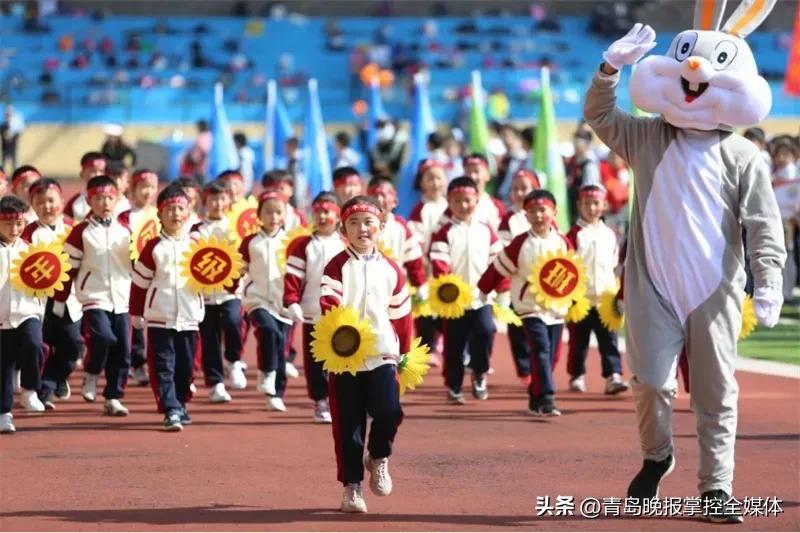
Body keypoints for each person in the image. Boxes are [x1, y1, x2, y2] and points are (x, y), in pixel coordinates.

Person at [586, 17, 786, 519]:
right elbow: (599, 115)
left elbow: (763, 225)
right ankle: (657, 456)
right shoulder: (646, 137)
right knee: (651, 382)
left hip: (714, 292)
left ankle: (716, 487)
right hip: (653, 286)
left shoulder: (743, 156)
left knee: (716, 391)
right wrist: (609, 69)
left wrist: (768, 280)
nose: (695, 72)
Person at [319, 195, 411, 513]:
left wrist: (405, 352)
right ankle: (352, 487)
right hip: (344, 356)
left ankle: (379, 456)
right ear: (343, 229)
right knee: (348, 424)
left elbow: (401, 315)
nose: (362, 229)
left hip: (382, 353)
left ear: (381, 227)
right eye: (354, 223)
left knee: (389, 411)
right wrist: (343, 331)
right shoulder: (336, 266)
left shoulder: (391, 269)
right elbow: (329, 301)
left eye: (369, 222)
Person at [479, 189, 570, 416]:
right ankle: (547, 399)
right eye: (532, 211)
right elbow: (499, 267)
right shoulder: (521, 243)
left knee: (552, 356)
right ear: (526, 215)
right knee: (540, 350)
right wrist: (484, 289)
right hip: (530, 308)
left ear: (554, 212)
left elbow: (574, 272)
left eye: (543, 210)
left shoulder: (563, 242)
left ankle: (535, 396)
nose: (538, 215)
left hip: (556, 309)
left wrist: (576, 299)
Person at [54, 175, 132, 416]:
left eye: (109, 198)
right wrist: (60, 299)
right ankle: (91, 372)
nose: (105, 203)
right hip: (93, 296)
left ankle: (113, 397)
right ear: (89, 201)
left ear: (117, 200)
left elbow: (139, 265)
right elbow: (68, 268)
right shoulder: (81, 232)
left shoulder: (127, 231)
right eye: (98, 198)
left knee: (123, 349)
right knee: (101, 338)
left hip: (122, 297)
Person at [131, 185, 204, 431]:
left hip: (190, 316)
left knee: (186, 367)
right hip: (160, 318)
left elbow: (213, 276)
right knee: (163, 365)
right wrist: (136, 312)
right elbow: (140, 283)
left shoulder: (197, 245)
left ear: (188, 212)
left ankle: (180, 402)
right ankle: (170, 409)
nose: (175, 214)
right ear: (160, 215)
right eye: (169, 209)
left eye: (180, 209)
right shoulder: (153, 247)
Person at [429, 177, 504, 404]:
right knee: (454, 343)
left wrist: (494, 287)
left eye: (467, 200)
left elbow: (497, 260)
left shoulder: (486, 230)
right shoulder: (444, 232)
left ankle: (479, 372)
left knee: (486, 331)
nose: (463, 205)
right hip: (454, 301)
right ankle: (454, 386)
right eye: (457, 201)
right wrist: (450, 288)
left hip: (481, 298)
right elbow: (439, 263)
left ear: (476, 200)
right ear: (449, 202)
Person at [283, 192, 345, 423]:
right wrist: (291, 300)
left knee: (343, 358)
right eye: (317, 212)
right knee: (315, 361)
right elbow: (293, 276)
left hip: (342, 315)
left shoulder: (346, 244)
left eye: (327, 211)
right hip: (313, 313)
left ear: (338, 215)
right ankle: (321, 401)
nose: (322, 216)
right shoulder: (304, 246)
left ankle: (344, 400)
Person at [21, 179, 83, 409]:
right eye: (40, 202)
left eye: (51, 201)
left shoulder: (74, 229)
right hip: (40, 301)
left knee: (72, 344)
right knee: (43, 345)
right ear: (32, 205)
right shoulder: (28, 234)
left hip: (70, 300)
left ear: (61, 201)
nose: (47, 206)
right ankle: (45, 388)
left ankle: (57, 376)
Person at [565, 184, 629, 395]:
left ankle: (613, 375)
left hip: (604, 299)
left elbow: (614, 264)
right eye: (587, 204)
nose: (591, 208)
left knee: (609, 340)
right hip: (580, 299)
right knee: (578, 342)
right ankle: (577, 375)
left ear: (604, 205)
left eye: (596, 203)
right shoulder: (574, 234)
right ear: (579, 205)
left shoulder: (609, 234)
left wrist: (617, 293)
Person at [192, 181, 246, 400]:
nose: (217, 203)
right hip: (204, 295)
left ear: (229, 201)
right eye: (213, 199)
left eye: (222, 198)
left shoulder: (235, 227)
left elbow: (245, 255)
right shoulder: (197, 230)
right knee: (209, 338)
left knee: (233, 321)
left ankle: (233, 360)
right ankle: (216, 384)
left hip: (230, 291)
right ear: (205, 202)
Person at [239, 191, 291, 412]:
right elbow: (239, 268)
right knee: (269, 331)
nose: (273, 217)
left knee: (280, 346)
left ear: (285, 215)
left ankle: (276, 393)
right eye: (268, 212)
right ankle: (267, 373)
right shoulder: (251, 242)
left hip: (284, 303)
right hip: (257, 299)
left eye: (278, 212)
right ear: (259, 215)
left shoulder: (291, 242)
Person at [0, 196, 46, 433]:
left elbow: (44, 281)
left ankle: (29, 389)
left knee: (34, 345)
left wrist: (40, 307)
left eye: (19, 224)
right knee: (3, 366)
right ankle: (4, 413)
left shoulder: (30, 251)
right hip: (1, 318)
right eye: (8, 224)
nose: (14, 229)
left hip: (27, 312)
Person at [407, 159, 449, 365]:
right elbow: (415, 238)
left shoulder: (451, 205)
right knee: (424, 308)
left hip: (448, 267)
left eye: (439, 178)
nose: (435, 183)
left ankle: (444, 341)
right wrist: (421, 261)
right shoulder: (420, 210)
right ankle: (428, 347)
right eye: (430, 179)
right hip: (427, 266)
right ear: (421, 183)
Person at [367, 177, 426, 291]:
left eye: (383, 195)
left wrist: (420, 288)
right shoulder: (361, 225)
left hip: (395, 289)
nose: (379, 199)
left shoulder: (401, 227)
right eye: (374, 195)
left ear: (395, 201)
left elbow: (414, 260)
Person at [565, 130, 601, 225]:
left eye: (578, 144)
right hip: (573, 206)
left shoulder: (589, 165)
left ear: (587, 145)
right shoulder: (573, 162)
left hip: (583, 209)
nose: (576, 146)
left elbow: (590, 191)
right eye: (574, 143)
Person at [462, 153, 506, 230]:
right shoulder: (455, 204)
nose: (472, 176)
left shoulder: (497, 206)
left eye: (476, 171)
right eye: (468, 172)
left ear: (487, 175)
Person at [64, 152, 107, 221]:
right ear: (82, 173)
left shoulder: (116, 199)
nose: (98, 175)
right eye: (93, 171)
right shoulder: (74, 202)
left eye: (101, 171)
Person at [1, 106, 24, 171]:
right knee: (4, 165)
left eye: (9, 113)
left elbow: (18, 133)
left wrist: (12, 135)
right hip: (5, 148)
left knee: (15, 164)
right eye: (7, 114)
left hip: (13, 147)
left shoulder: (15, 125)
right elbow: (3, 134)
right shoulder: (3, 125)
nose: (8, 115)